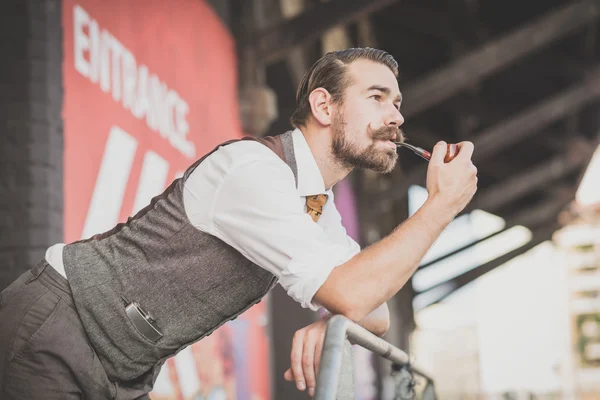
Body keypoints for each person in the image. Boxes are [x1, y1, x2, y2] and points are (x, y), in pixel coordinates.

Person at [0, 47, 477, 399]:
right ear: (324, 107)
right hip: (60, 328)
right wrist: (440, 204)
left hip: (124, 368)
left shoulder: (316, 204)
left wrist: (335, 316)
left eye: (396, 103)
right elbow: (354, 292)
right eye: (377, 97)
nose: (395, 115)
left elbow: (375, 308)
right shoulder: (256, 169)